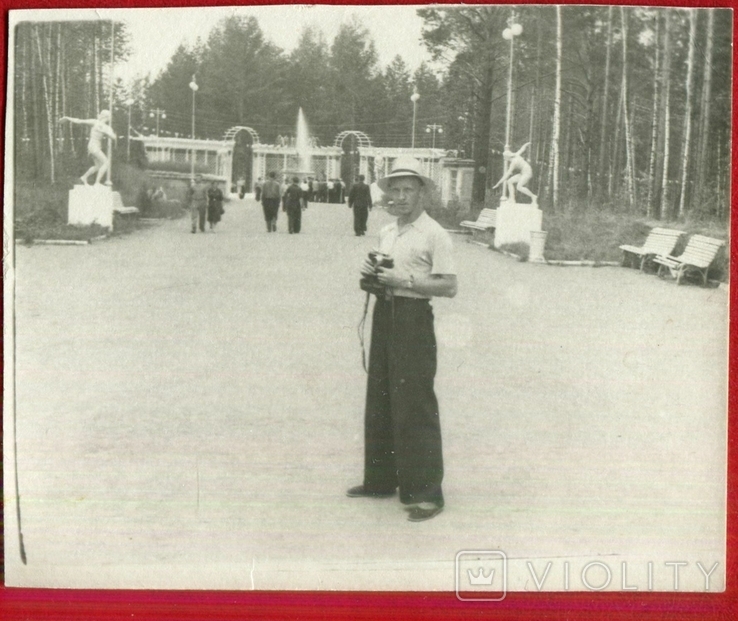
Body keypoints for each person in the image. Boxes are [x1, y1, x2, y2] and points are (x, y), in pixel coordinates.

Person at [347, 156, 457, 523]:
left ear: (421, 193)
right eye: (394, 190)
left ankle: (426, 493)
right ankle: (380, 479)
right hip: (385, 315)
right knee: (380, 396)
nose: (400, 196)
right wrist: (372, 275)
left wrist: (405, 282)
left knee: (415, 402)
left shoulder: (435, 234)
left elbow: (448, 285)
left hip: (413, 320)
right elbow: (384, 275)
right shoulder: (388, 233)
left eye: (408, 189)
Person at [58, 110, 117, 186]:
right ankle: (97, 183)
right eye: (110, 116)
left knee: (98, 166)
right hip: (93, 146)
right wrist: (67, 118)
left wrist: (107, 132)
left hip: (96, 147)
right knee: (106, 162)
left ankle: (84, 177)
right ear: (107, 117)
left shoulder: (107, 127)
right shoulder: (95, 122)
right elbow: (79, 121)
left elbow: (113, 137)